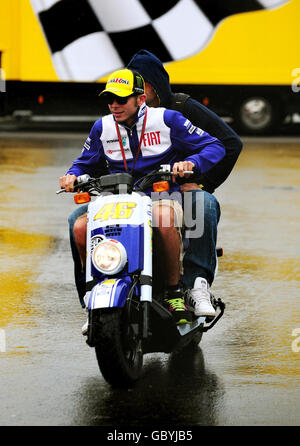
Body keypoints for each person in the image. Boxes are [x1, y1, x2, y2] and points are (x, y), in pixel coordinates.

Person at [59, 68, 226, 325]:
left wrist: (191, 163)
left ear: (140, 99)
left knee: (163, 216)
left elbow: (215, 146)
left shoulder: (169, 119)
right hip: (118, 201)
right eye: (110, 99)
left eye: (121, 99)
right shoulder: (101, 127)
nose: (115, 105)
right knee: (78, 224)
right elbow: (84, 162)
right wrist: (72, 175)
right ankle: (90, 297)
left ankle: (174, 293)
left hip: (163, 198)